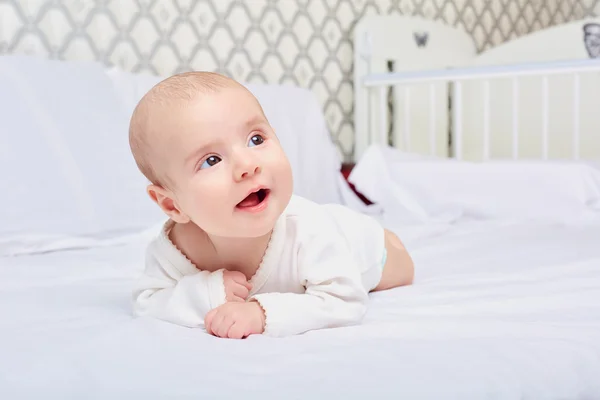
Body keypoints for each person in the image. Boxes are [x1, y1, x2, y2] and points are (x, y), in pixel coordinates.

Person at [128, 71, 414, 339]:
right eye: (211, 160)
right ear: (172, 204)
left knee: (400, 269)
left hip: (363, 245)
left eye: (256, 139)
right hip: (331, 231)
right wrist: (207, 293)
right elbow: (147, 301)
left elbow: (345, 300)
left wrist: (261, 313)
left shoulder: (308, 230)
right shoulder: (173, 250)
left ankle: (389, 238)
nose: (247, 165)